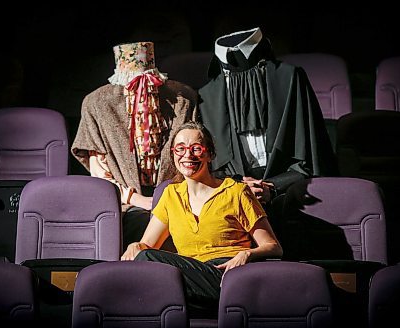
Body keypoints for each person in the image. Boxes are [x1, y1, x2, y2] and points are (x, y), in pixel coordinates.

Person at [121, 121, 283, 318]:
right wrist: (135, 246)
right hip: (190, 278)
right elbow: (147, 245)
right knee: (142, 265)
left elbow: (273, 246)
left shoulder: (236, 191)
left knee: (147, 267)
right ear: (173, 153)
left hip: (228, 274)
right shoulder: (171, 194)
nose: (187, 155)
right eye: (180, 149)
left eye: (196, 148)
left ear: (210, 154)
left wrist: (246, 255)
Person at [72, 41, 198, 250]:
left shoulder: (182, 99)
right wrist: (141, 201)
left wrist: (168, 198)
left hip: (176, 197)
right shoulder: (98, 104)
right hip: (125, 204)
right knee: (136, 227)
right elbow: (101, 175)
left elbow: (193, 155)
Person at [197, 27, 337, 214]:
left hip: (295, 194)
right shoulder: (207, 97)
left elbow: (311, 153)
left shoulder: (289, 78)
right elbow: (211, 166)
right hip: (234, 202)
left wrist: (273, 186)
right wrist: (236, 185)